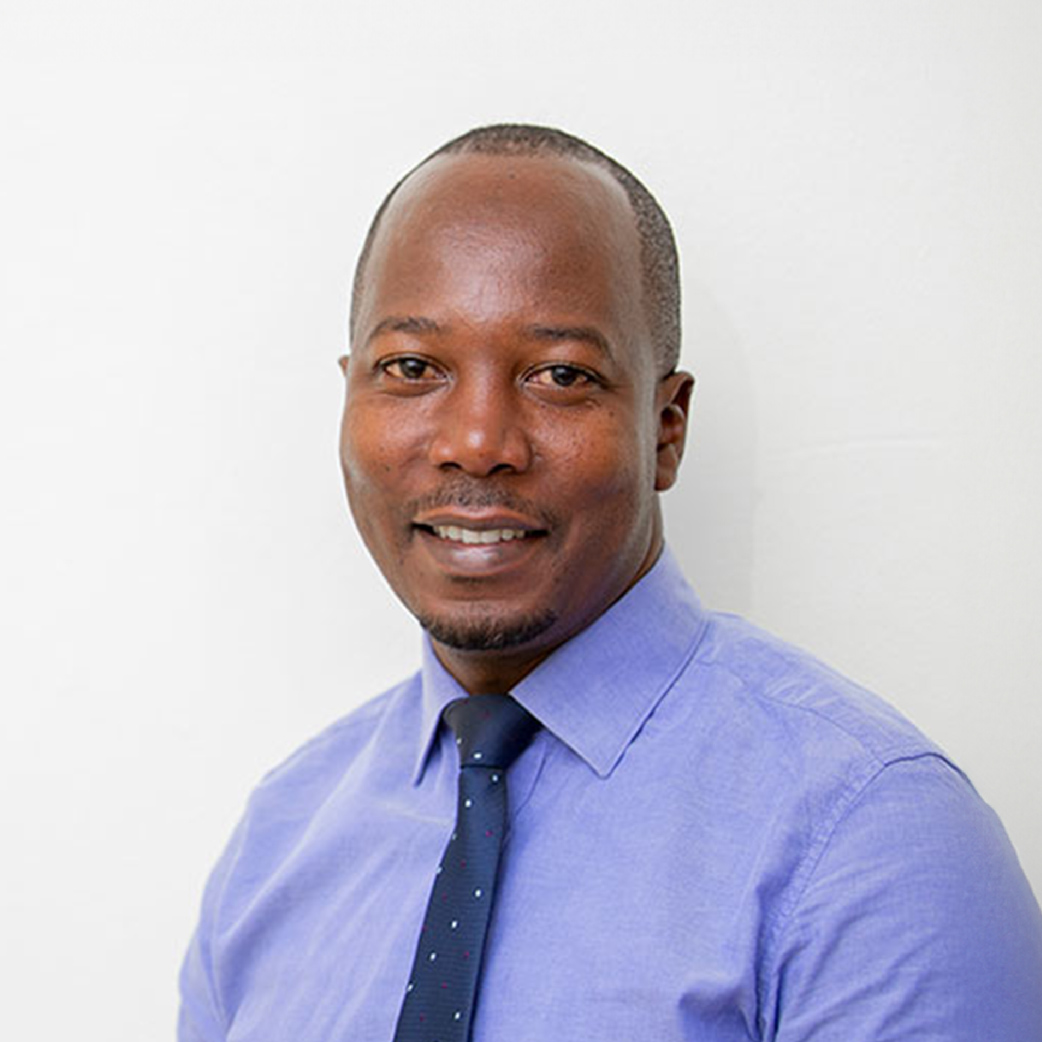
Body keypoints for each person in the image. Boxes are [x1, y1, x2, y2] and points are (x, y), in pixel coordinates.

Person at [179, 124, 1042, 1041]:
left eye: (561, 375)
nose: (477, 442)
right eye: (413, 368)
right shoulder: (278, 842)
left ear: (665, 429)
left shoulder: (869, 839)